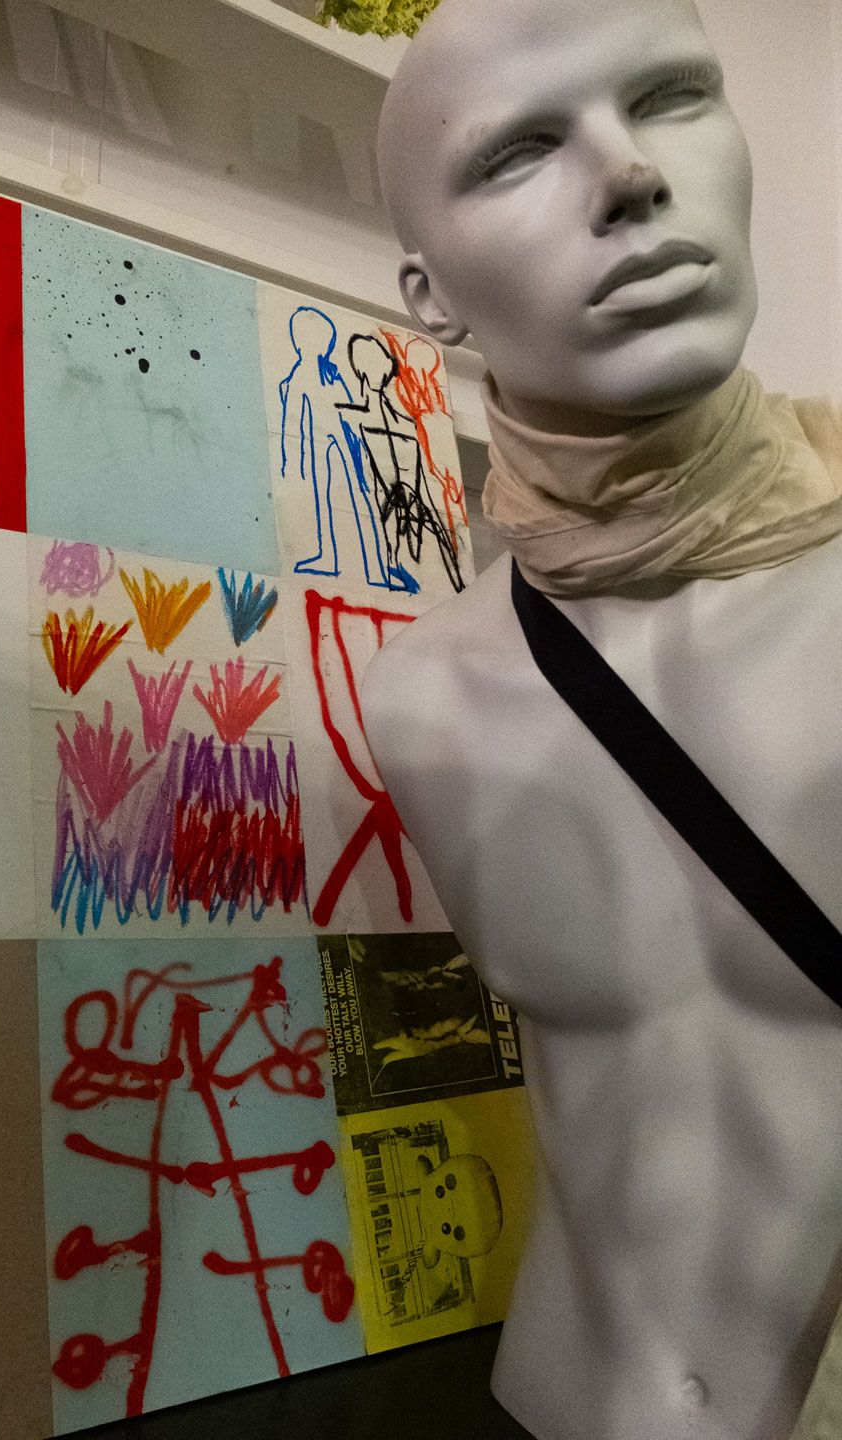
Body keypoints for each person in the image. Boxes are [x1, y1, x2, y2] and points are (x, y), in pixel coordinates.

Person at [361, 1, 842, 1437]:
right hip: (556, 1398)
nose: (630, 172)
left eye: (674, 96)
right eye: (517, 150)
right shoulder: (421, 690)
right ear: (430, 293)